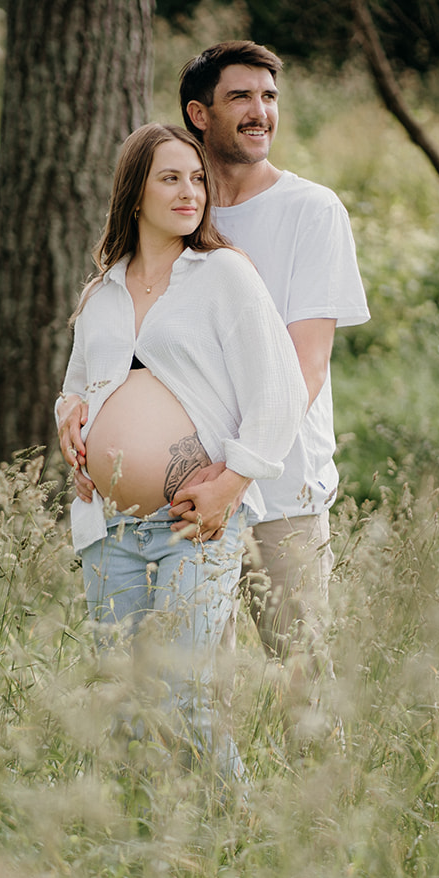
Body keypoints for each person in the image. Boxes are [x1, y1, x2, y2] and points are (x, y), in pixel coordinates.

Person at [55, 122, 306, 779]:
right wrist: (69, 418)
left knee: (184, 696)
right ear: (135, 193)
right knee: (128, 709)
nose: (190, 191)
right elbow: (76, 388)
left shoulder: (222, 275)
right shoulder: (103, 288)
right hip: (108, 529)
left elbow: (278, 390)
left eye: (197, 178)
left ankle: (235, 842)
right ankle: (149, 857)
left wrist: (233, 483)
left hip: (194, 525)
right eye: (171, 177)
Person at [175, 41, 370, 702]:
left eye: (269, 97)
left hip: (282, 491)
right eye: (242, 97)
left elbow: (305, 368)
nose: (261, 111)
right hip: (186, 491)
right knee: (197, 689)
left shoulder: (311, 212)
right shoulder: (175, 210)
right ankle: (205, 808)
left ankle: (322, 810)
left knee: (305, 688)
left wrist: (236, 478)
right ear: (200, 114)